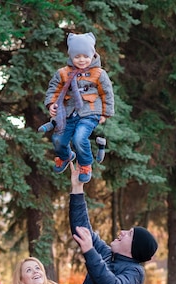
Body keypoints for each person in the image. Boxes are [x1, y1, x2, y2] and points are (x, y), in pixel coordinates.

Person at [41, 32, 114, 182]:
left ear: (92, 55)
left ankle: (86, 164)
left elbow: (107, 93)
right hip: (69, 113)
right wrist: (51, 104)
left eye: (86, 56)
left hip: (90, 112)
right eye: (77, 57)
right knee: (58, 140)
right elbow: (53, 89)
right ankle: (66, 156)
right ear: (71, 56)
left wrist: (105, 113)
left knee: (79, 138)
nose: (82, 60)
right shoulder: (63, 73)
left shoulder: (99, 73)